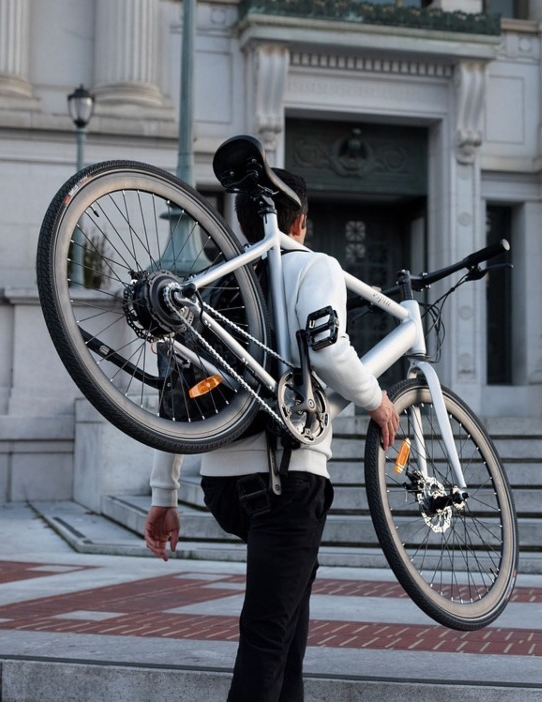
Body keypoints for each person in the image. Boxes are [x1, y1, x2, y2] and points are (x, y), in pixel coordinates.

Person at [144, 167, 399, 702]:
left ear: (244, 222)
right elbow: (328, 349)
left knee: (288, 643)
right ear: (300, 221)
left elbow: (176, 392)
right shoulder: (314, 266)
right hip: (287, 482)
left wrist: (165, 495)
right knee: (266, 641)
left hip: (222, 487)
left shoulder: (217, 279)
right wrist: (378, 402)